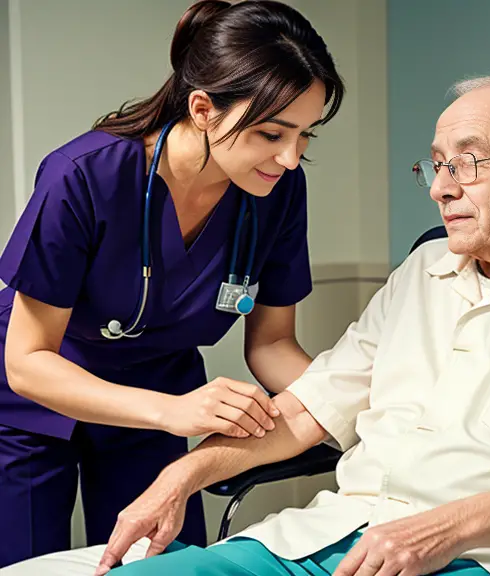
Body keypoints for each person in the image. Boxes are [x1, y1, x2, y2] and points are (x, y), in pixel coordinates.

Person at [7, 73, 490, 576]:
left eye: (465, 163)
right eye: (437, 165)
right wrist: (181, 475)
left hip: (488, 555)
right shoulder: (426, 269)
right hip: (330, 533)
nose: (441, 189)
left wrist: (445, 528)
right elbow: (310, 403)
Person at [0, 0, 344, 568]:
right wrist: (170, 411)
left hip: (161, 397)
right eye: (271, 133)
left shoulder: (278, 191)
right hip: (36, 403)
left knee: (156, 565)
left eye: (306, 134)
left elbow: (272, 345)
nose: (289, 157)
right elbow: (27, 360)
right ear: (204, 108)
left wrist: (359, 407)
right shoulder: (85, 176)